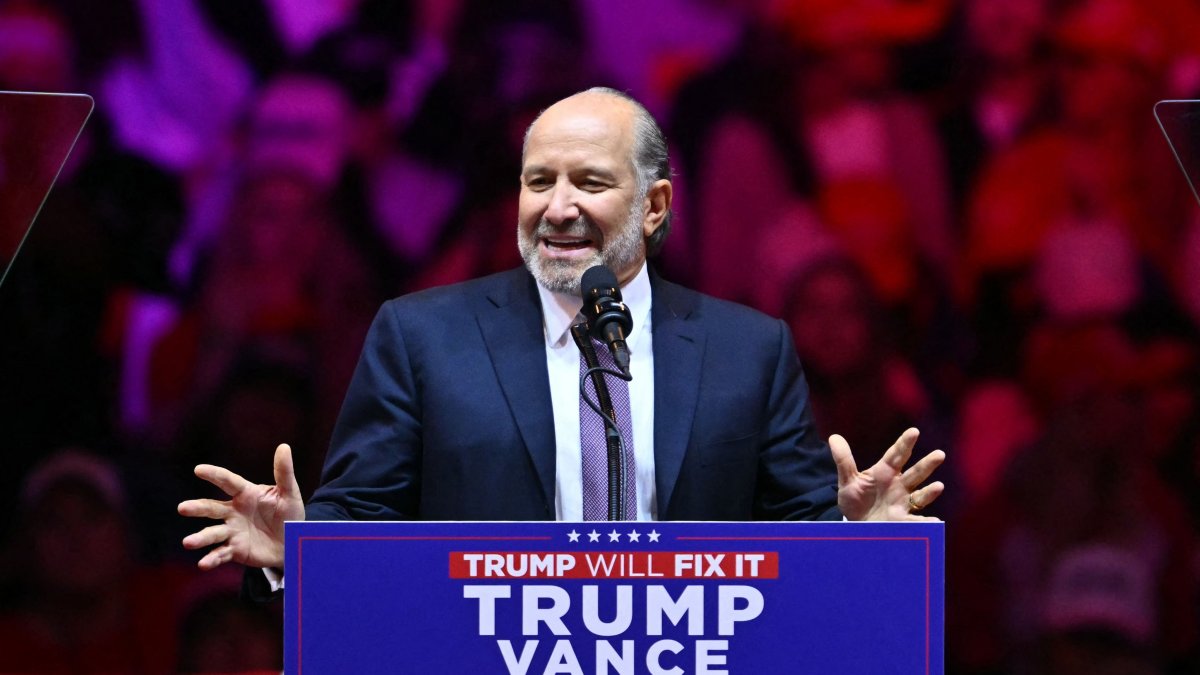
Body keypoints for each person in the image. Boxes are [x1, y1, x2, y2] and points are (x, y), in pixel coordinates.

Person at [178, 87, 945, 575]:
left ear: (654, 207)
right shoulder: (422, 338)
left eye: (591, 182)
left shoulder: (747, 351)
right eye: (539, 180)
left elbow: (794, 539)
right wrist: (304, 542)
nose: (557, 206)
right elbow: (367, 515)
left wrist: (854, 539)